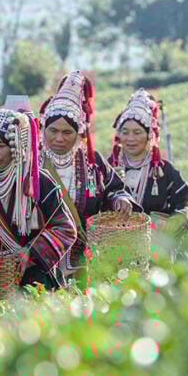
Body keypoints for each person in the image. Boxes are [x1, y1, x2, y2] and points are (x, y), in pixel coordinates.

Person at [38, 70, 136, 276]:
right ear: (43, 129)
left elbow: (116, 188)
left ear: (79, 134)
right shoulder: (32, 164)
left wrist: (121, 199)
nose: (59, 138)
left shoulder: (93, 162)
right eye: (53, 131)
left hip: (85, 258)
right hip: (41, 260)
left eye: (67, 132)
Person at [0, 105, 77, 289]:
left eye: (1, 145)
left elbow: (65, 229)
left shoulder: (38, 182)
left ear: (16, 146)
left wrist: (30, 253)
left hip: (34, 279)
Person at [109, 89, 188, 232]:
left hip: (156, 250)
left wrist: (179, 220)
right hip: (113, 248)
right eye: (125, 132)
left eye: (137, 132)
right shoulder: (107, 168)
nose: (130, 138)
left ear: (149, 136)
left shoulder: (164, 171)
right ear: (119, 135)